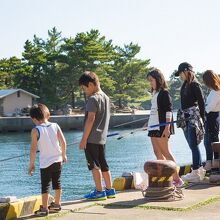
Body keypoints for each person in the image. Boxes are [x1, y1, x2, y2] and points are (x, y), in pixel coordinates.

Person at [79, 71, 116, 200]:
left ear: (90, 84)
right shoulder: (105, 97)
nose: (84, 91)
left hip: (91, 139)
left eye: (84, 88)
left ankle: (99, 191)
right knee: (104, 164)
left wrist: (84, 139)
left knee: (94, 166)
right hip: (102, 138)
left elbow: (90, 119)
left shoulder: (93, 99)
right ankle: (109, 189)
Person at [28, 103, 67, 217]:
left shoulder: (36, 130)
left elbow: (33, 150)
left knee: (45, 185)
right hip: (58, 160)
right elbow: (63, 142)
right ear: (47, 114)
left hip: (45, 163)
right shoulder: (55, 125)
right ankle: (57, 204)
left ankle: (44, 208)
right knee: (57, 183)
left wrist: (31, 164)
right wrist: (64, 155)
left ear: (33, 118)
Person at [147, 68, 183, 187]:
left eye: (151, 80)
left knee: (166, 152)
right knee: (157, 153)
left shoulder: (164, 93)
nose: (150, 83)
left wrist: (167, 128)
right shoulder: (155, 93)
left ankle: (177, 179)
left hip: (162, 126)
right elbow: (154, 111)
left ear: (158, 79)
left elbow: (168, 111)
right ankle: (165, 179)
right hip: (153, 126)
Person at [175, 62, 205, 182]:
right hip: (185, 117)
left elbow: (201, 102)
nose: (180, 76)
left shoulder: (194, 84)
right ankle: (199, 171)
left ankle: (196, 171)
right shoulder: (186, 84)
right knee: (192, 145)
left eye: (181, 73)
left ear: (186, 71)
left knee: (193, 144)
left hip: (192, 117)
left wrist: (203, 119)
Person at [202, 70, 220, 171]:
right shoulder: (214, 91)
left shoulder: (216, 92)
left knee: (211, 140)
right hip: (212, 116)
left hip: (212, 117)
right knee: (210, 140)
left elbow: (211, 107)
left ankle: (212, 163)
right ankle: (212, 162)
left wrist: (203, 109)